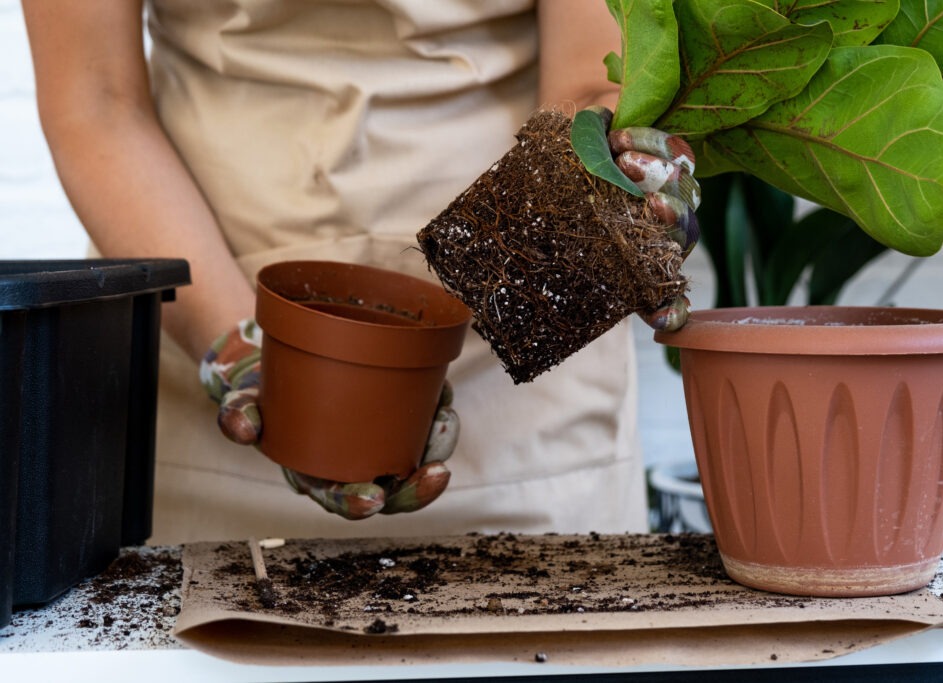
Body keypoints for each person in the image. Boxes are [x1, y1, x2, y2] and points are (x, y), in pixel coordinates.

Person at [23, 0, 698, 543]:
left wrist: (609, 196)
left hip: (515, 406)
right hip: (202, 347)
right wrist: (243, 352)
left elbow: (594, 73)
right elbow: (96, 100)